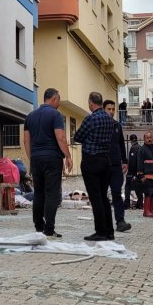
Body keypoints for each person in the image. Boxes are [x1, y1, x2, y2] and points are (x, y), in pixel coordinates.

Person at [23, 88, 73, 239]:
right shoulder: (55, 114)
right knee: (52, 194)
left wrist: (32, 158)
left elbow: (26, 140)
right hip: (52, 158)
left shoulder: (30, 116)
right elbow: (61, 138)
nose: (58, 103)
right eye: (58, 100)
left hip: (36, 159)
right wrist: (68, 156)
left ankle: (39, 226)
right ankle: (49, 229)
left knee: (39, 193)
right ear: (53, 99)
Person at [74, 92, 117, 241]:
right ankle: (110, 231)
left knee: (95, 198)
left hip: (91, 161)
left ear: (91, 102)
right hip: (106, 161)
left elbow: (77, 137)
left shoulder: (90, 119)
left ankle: (100, 231)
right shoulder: (110, 120)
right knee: (104, 197)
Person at [103, 100, 132, 233]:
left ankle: (120, 221)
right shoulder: (100, 125)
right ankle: (103, 223)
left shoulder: (117, 125)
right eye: (109, 109)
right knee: (102, 194)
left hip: (115, 164)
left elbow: (121, 143)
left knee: (116, 192)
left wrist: (124, 161)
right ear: (103, 110)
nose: (111, 111)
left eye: (113, 109)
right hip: (102, 164)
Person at [137, 131, 153, 217]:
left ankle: (152, 210)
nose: (149, 139)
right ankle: (146, 211)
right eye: (147, 138)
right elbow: (140, 163)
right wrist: (140, 175)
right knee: (148, 193)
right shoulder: (142, 149)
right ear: (144, 139)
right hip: (147, 176)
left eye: (150, 137)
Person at [124, 134, 143, 209]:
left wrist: (130, 173)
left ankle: (127, 203)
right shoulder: (140, 147)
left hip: (133, 172)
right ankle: (140, 203)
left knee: (127, 187)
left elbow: (132, 161)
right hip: (139, 171)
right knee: (138, 187)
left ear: (130, 140)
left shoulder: (133, 148)